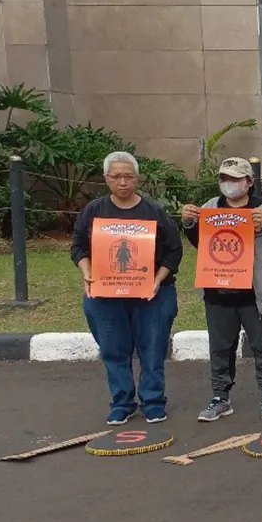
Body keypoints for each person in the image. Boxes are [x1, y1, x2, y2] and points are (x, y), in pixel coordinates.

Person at [72, 151, 184, 425]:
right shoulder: (93, 211)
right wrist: (87, 273)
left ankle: (153, 402)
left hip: (153, 293)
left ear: (137, 178)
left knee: (153, 349)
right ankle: (122, 402)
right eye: (116, 176)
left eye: (128, 176)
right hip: (105, 293)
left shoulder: (154, 211)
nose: (122, 182)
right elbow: (78, 246)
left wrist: (157, 279)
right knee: (113, 350)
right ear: (106, 178)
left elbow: (174, 250)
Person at [182, 158, 262, 423]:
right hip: (218, 290)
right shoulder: (209, 208)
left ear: (249, 182)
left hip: (256, 294)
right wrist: (189, 223)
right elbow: (201, 243)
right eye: (224, 178)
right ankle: (220, 398)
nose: (228, 183)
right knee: (220, 348)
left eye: (235, 178)